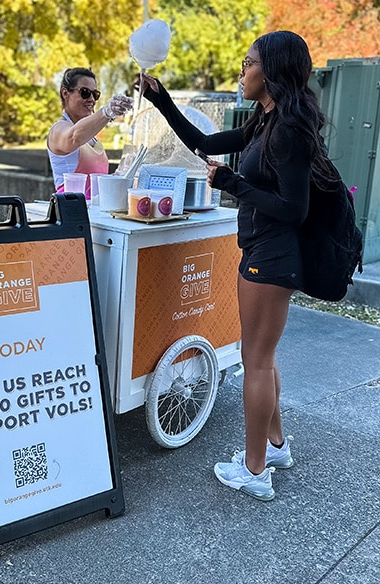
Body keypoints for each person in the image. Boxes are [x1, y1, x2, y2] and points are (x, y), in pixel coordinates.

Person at [135, 31, 334, 501]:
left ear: (274, 71)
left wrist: (233, 182)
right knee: (261, 355)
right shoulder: (266, 121)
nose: (241, 72)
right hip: (262, 251)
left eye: (248, 63)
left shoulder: (287, 129)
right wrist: (162, 101)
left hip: (273, 255)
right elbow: (204, 141)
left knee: (256, 361)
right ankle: (276, 446)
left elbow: (294, 208)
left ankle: (255, 470)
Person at [47, 67, 133, 198]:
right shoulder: (58, 130)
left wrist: (118, 176)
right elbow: (74, 137)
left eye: (95, 94)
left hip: (95, 212)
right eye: (85, 92)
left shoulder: (91, 136)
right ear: (65, 93)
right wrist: (106, 112)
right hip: (71, 211)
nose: (92, 99)